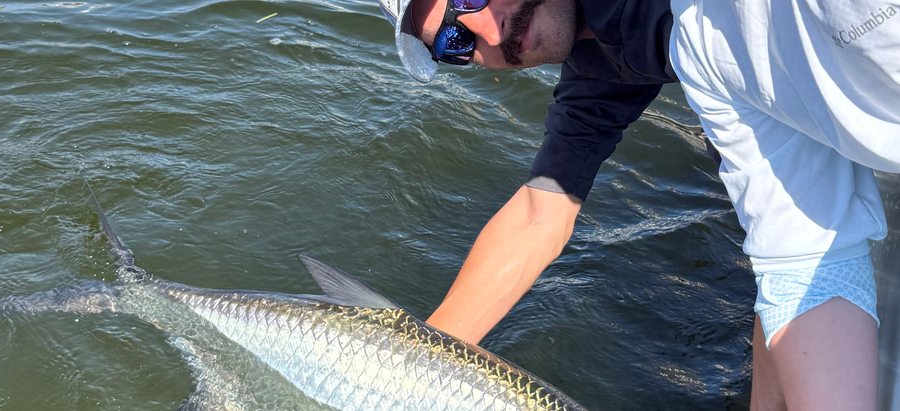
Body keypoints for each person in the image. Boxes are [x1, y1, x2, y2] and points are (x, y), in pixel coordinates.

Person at [370, 0, 900, 408]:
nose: (488, 29)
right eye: (455, 40)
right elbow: (796, 252)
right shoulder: (643, 54)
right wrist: (410, 365)